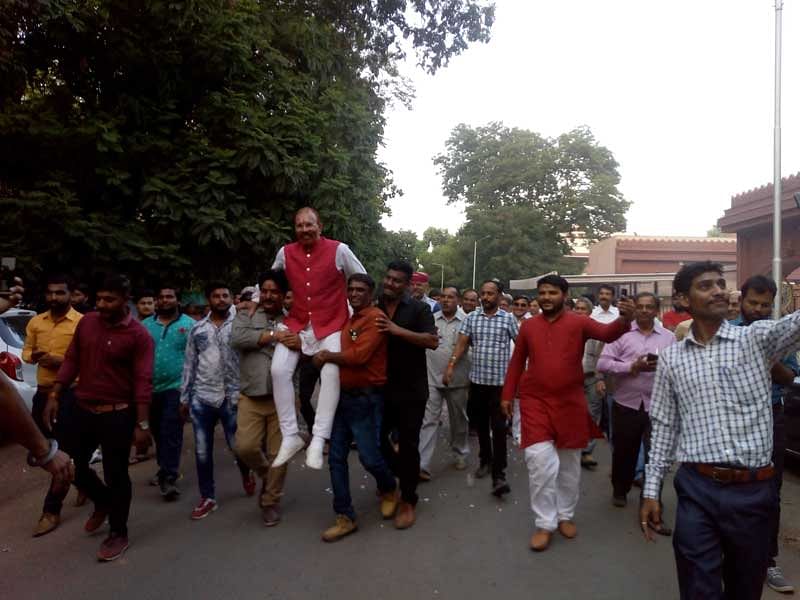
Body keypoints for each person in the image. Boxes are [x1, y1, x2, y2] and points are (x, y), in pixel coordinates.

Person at [640, 262, 800, 600]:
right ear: (683, 299)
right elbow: (665, 427)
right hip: (697, 490)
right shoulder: (671, 360)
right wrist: (651, 491)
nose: (718, 291)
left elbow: (796, 325)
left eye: (720, 283)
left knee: (745, 587)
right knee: (699, 587)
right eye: (705, 285)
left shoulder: (756, 340)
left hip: (754, 492)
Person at [501, 275, 634, 552]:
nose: (546, 297)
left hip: (570, 402)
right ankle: (545, 522)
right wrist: (507, 394)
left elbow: (608, 334)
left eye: (551, 292)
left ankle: (565, 515)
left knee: (569, 464)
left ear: (564, 295)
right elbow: (517, 362)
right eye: (542, 293)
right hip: (534, 400)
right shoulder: (528, 326)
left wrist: (624, 319)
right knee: (539, 461)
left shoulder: (579, 321)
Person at [44, 274, 153, 562]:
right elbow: (72, 359)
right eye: (99, 298)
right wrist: (55, 395)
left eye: (110, 299)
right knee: (68, 466)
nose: (102, 305)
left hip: (118, 415)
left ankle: (118, 532)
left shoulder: (138, 335)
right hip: (81, 409)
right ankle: (102, 500)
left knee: (117, 474)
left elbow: (143, 381)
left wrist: (142, 425)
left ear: (124, 300)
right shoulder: (88, 322)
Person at [269, 207, 367, 470]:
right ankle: (290, 436)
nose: (304, 230)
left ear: (320, 225)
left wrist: (360, 315)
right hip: (298, 323)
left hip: (333, 324)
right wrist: (254, 301)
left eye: (309, 225)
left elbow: (361, 278)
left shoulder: (339, 250)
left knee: (332, 372)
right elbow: (271, 281)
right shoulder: (285, 253)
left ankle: (319, 437)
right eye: (299, 226)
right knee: (278, 370)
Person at [314, 273, 399, 541]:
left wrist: (328, 356)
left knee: (368, 456)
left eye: (360, 290)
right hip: (343, 398)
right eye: (351, 289)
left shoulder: (375, 318)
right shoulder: (348, 320)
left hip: (367, 399)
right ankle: (345, 516)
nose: (354, 293)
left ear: (371, 294)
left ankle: (388, 487)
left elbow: (360, 356)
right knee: (336, 458)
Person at [732, 275, 797, 594]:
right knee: (730, 489)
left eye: (764, 305)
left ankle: (767, 561)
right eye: (752, 303)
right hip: (731, 422)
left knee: (769, 492)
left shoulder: (778, 334)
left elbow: (788, 377)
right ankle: (729, 556)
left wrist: (768, 359)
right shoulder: (725, 331)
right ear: (741, 300)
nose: (758, 309)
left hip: (771, 419)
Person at [597, 292, 675, 521]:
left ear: (656, 310)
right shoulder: (621, 335)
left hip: (658, 405)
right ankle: (620, 489)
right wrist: (631, 367)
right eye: (639, 306)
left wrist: (661, 367)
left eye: (649, 307)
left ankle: (652, 499)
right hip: (626, 403)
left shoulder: (669, 338)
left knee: (656, 455)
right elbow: (603, 362)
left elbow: (678, 366)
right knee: (624, 452)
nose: (643, 310)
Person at [180, 283, 255, 520]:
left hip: (233, 395)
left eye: (225, 295)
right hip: (202, 397)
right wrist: (184, 396)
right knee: (202, 451)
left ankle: (246, 474)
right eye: (216, 296)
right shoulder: (197, 329)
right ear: (208, 299)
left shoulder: (241, 324)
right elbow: (190, 363)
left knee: (238, 447)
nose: (221, 299)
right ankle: (208, 497)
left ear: (231, 299)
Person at [231, 270, 298, 527]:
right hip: (250, 395)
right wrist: (272, 336)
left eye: (275, 291)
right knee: (245, 447)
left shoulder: (293, 319)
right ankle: (268, 478)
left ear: (283, 295)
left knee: (279, 453)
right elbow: (238, 339)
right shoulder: (246, 314)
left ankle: (270, 501)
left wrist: (299, 395)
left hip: (282, 399)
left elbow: (299, 358)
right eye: (265, 290)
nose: (269, 295)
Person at [376, 260, 438, 529]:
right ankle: (396, 477)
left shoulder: (419, 309)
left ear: (407, 284)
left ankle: (408, 500)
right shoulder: (373, 306)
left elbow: (431, 341)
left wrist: (396, 330)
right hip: (378, 387)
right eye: (388, 278)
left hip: (411, 389)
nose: (390, 283)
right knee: (374, 438)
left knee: (410, 446)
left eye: (397, 280)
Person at [22, 274, 83, 536]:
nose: (54, 298)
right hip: (43, 393)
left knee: (64, 449)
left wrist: (58, 360)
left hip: (72, 394)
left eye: (60, 293)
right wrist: (34, 357)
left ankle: (51, 511)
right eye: (50, 293)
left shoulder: (82, 323)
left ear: (70, 294)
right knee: (46, 447)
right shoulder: (36, 322)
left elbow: (86, 360)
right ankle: (84, 480)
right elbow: (26, 352)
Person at [446, 280, 518, 497]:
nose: (486, 297)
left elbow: (521, 345)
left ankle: (499, 475)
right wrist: (451, 365)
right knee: (481, 426)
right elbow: (461, 344)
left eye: (490, 294)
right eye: (483, 294)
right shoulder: (471, 318)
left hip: (500, 385)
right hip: (477, 383)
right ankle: (485, 461)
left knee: (498, 428)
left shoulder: (508, 319)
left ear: (499, 296)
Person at [142, 286, 195, 500]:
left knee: (170, 431)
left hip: (177, 387)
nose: (165, 300)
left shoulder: (190, 325)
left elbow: (196, 357)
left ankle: (169, 477)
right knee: (156, 430)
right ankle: (164, 468)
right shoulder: (145, 326)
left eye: (169, 297)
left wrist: (191, 390)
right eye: (161, 297)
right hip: (149, 388)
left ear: (177, 300)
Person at [418, 285, 470, 480]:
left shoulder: (467, 321)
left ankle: (460, 452)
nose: (446, 300)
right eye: (443, 297)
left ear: (457, 300)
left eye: (450, 297)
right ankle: (422, 464)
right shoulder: (430, 320)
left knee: (458, 420)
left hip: (458, 380)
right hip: (431, 378)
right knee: (428, 420)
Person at [573, 297, 605, 469]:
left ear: (590, 312)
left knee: (592, 414)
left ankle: (586, 452)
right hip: (572, 379)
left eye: (583, 308)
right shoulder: (568, 329)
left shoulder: (596, 329)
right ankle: (572, 449)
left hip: (592, 377)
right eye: (577, 308)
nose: (579, 311)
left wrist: (600, 378)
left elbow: (602, 356)